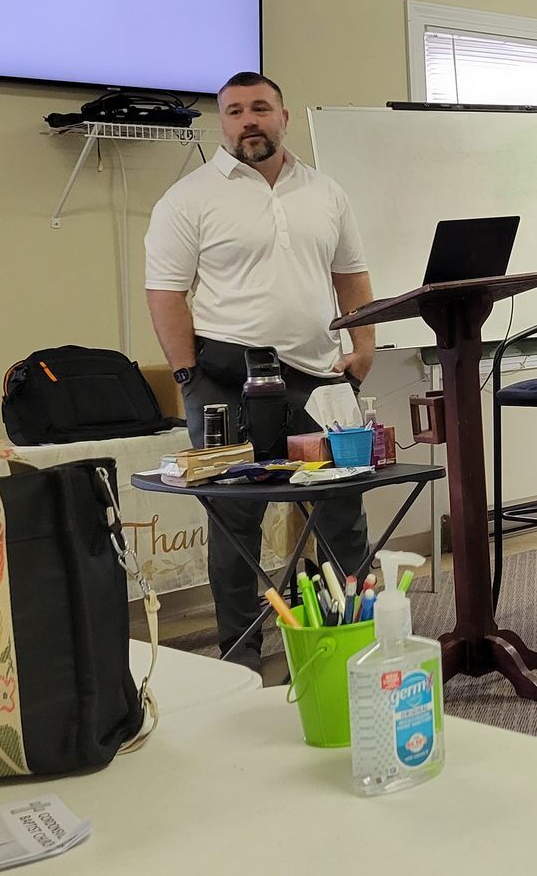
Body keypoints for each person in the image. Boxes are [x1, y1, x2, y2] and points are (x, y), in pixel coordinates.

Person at [144, 71, 378, 670]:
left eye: (259, 108)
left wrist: (364, 345)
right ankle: (240, 656)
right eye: (234, 111)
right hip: (226, 379)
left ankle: (350, 645)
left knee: (341, 512)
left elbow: (350, 275)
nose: (247, 120)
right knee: (234, 522)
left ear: (283, 116)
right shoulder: (189, 198)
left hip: (320, 377)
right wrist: (187, 377)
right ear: (222, 123)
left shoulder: (325, 192)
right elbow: (166, 293)